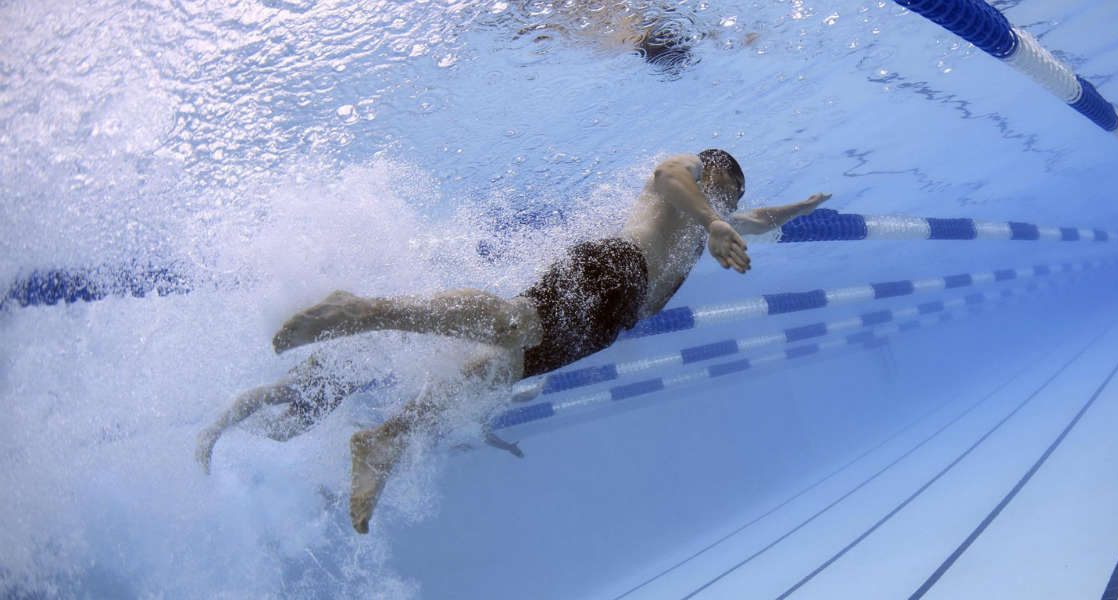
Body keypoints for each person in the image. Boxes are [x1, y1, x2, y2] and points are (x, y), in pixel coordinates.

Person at [197, 149, 832, 534]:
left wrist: (797, 209)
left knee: (490, 373)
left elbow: (755, 220)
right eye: (725, 192)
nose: (730, 204)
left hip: (607, 323)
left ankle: (385, 439)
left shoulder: (709, 226)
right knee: (509, 323)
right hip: (613, 268)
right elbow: (670, 175)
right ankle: (361, 311)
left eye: (731, 200)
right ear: (713, 175)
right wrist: (715, 218)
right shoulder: (688, 184)